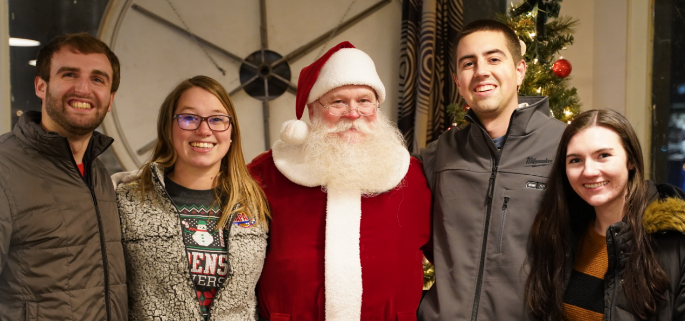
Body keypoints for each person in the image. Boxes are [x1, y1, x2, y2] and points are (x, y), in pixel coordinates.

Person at [248, 41, 431, 320]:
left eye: (364, 101)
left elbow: (455, 260)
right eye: (338, 102)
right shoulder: (266, 174)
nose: (353, 113)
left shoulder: (414, 176)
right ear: (312, 111)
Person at [418, 19, 567, 320]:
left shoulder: (566, 146)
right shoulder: (440, 154)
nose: (481, 71)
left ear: (520, 71)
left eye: (494, 59)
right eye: (468, 63)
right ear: (458, 81)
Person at [115, 76, 269, 320]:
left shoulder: (255, 204)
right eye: (189, 118)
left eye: (217, 119)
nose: (204, 130)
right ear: (169, 127)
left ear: (231, 132)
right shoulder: (127, 201)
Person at [0, 33, 127, 320]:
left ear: (110, 99)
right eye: (69, 74)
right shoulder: (4, 168)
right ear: (41, 86)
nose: (83, 89)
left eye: (98, 79)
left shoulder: (99, 173)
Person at [526, 109, 685, 321]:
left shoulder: (674, 241)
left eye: (604, 156)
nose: (589, 171)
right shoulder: (561, 235)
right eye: (575, 160)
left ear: (631, 161)